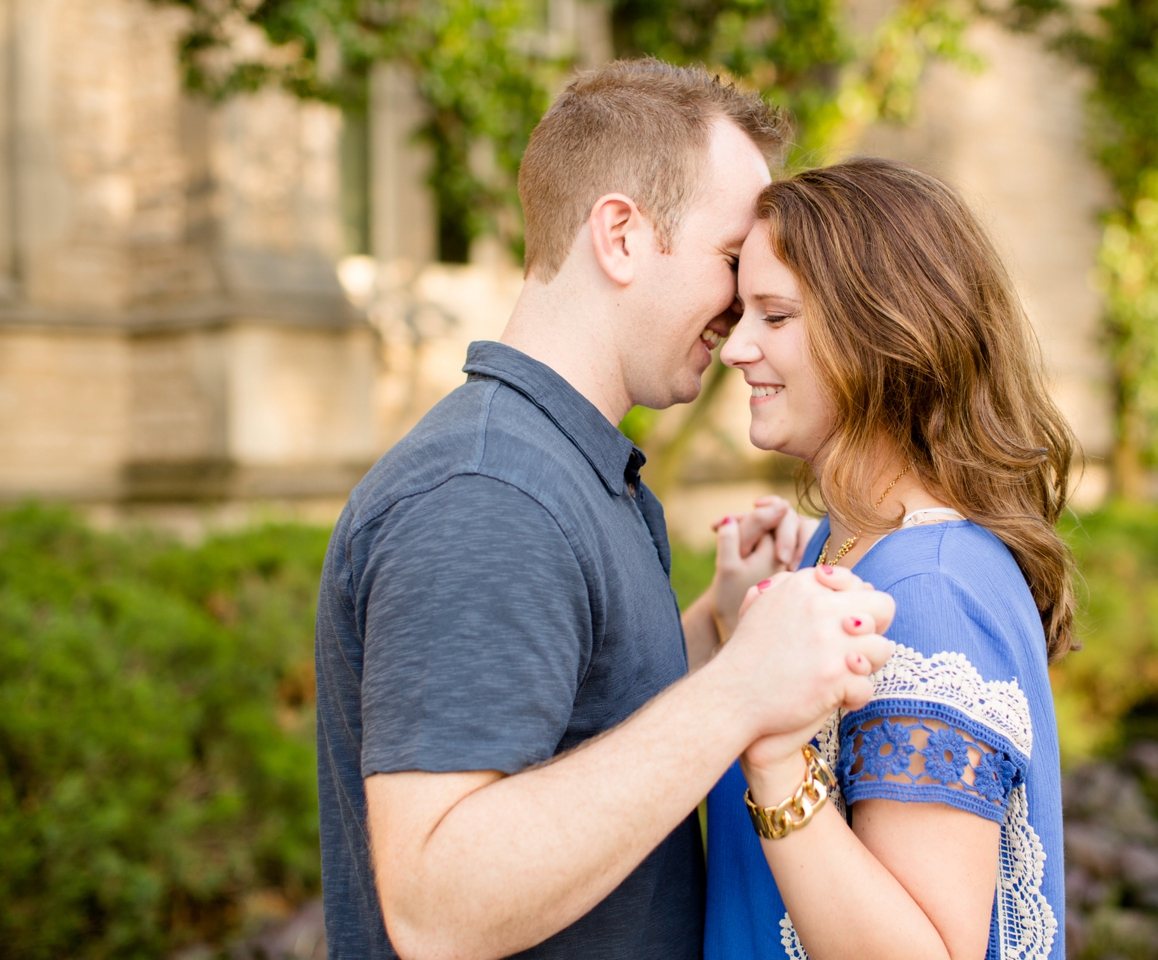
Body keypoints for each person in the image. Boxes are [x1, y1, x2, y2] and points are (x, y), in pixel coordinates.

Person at [313, 61, 896, 960]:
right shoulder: (490, 497)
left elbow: (583, 726)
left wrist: (719, 629)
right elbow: (439, 904)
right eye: (732, 261)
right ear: (621, 236)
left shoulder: (568, 469)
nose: (742, 307)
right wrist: (742, 692)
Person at [703, 157, 1077, 960]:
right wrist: (732, 618)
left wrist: (774, 756)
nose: (735, 348)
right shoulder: (832, 550)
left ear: (880, 332)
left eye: (774, 315)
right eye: (741, 314)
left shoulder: (930, 589)